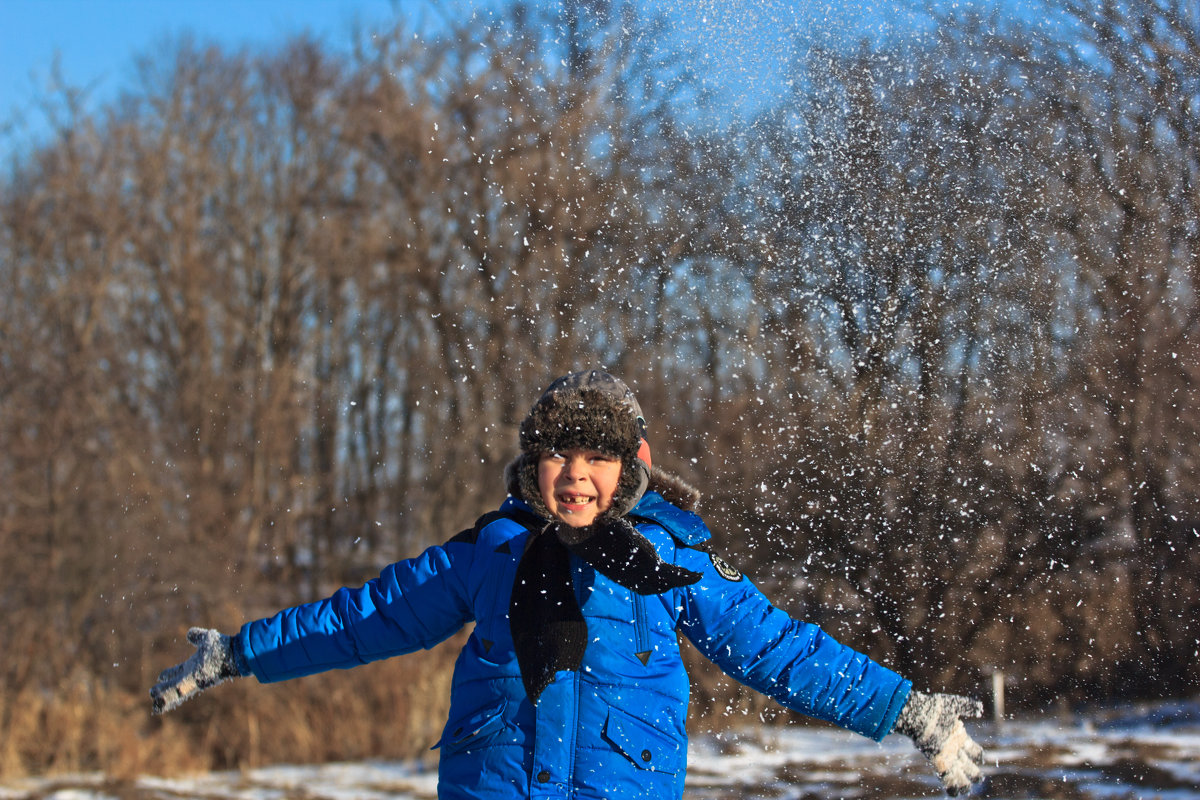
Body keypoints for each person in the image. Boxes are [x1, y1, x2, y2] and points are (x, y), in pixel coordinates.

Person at [151, 370, 985, 799]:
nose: (576, 476)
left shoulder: (671, 563)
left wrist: (907, 709)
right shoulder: (490, 555)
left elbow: (776, 648)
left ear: (630, 469)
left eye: (597, 456)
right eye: (559, 454)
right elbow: (365, 619)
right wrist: (237, 653)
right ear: (531, 463)